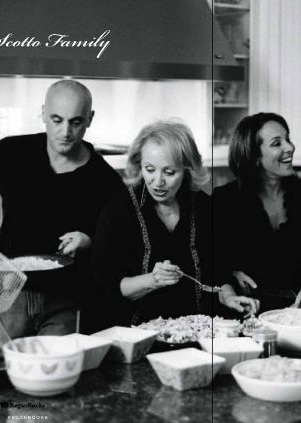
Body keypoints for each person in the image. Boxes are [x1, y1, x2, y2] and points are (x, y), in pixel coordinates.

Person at [0, 79, 124, 337]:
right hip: (9, 293)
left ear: (90, 119)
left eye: (76, 122)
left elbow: (118, 248)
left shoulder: (105, 180)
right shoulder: (11, 153)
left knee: (58, 363)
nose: (65, 132)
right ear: (43, 114)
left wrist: (90, 241)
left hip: (67, 300)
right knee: (10, 360)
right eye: (57, 120)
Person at [92, 120, 257, 327]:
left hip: (197, 330)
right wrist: (152, 280)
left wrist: (229, 296)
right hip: (136, 333)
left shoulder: (204, 206)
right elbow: (105, 286)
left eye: (169, 172)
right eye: (149, 169)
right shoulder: (119, 210)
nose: (158, 181)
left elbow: (219, 272)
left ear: (187, 169)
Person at [213, 113, 301, 312]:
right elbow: (210, 261)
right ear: (254, 156)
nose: (290, 147)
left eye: (288, 139)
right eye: (277, 143)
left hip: (291, 313)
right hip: (240, 313)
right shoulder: (224, 200)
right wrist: (228, 278)